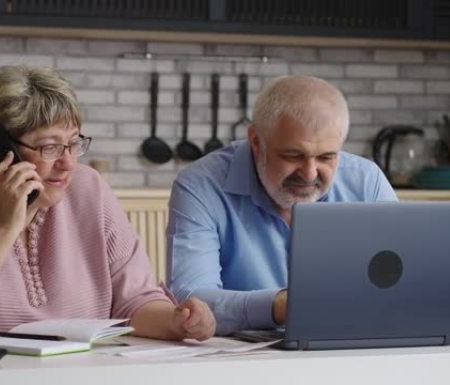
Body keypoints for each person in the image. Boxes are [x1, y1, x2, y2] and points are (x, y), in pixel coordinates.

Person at [0, 66, 215, 345]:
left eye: (74, 144)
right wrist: (5, 227)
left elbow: (135, 302)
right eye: (49, 148)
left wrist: (176, 321)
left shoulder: (91, 189)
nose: (68, 163)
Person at [167, 75, 397, 336]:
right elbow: (191, 301)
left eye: (326, 157)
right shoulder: (200, 185)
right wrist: (279, 306)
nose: (310, 174)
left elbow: (401, 282)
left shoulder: (366, 181)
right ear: (255, 141)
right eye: (292, 156)